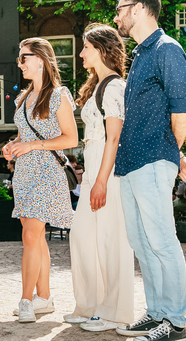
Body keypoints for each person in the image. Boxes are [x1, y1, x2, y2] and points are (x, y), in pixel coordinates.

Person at [112, 0, 186, 341]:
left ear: (140, 9)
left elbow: (183, 109)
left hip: (153, 159)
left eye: (121, 8)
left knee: (162, 241)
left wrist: (169, 153)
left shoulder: (167, 49)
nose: (117, 16)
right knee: (141, 242)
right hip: (130, 163)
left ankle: (175, 323)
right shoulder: (141, 54)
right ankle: (157, 312)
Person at [2, 37, 78, 324]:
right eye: (19, 58)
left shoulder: (59, 94)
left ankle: (26, 300)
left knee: (31, 236)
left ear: (41, 59)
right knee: (35, 238)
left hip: (47, 173)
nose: (19, 63)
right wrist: (14, 144)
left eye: (24, 57)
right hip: (24, 173)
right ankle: (44, 298)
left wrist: (30, 146)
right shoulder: (23, 97)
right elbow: (28, 136)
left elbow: (71, 138)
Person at [65, 23, 134, 332]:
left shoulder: (115, 86)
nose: (81, 53)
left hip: (108, 168)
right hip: (94, 164)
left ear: (102, 50)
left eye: (86, 48)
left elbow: (115, 138)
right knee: (83, 237)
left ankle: (114, 312)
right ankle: (90, 304)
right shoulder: (97, 85)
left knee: (111, 240)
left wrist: (102, 181)